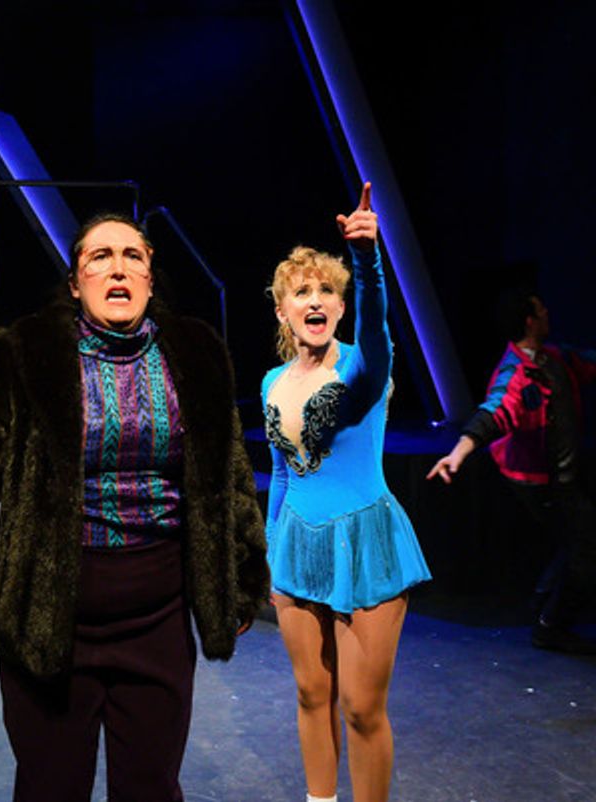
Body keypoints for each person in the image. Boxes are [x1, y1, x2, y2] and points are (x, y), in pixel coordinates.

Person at [0, 213, 269, 802]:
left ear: (149, 278)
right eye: (99, 257)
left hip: (158, 614)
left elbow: (229, 476)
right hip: (48, 613)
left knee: (151, 788)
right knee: (51, 787)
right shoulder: (22, 353)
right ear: (75, 283)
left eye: (132, 256)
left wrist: (241, 574)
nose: (117, 269)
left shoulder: (196, 353)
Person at [261, 183, 430, 802]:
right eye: (301, 292)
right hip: (296, 546)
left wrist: (366, 258)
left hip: (365, 543)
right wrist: (270, 555)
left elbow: (378, 328)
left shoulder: (364, 367)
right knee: (312, 694)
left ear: (340, 305)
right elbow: (282, 474)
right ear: (282, 311)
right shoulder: (273, 381)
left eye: (327, 291)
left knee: (360, 707)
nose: (315, 299)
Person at [426, 287, 596, 653]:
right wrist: (458, 453)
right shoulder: (516, 373)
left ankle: (544, 601)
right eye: (541, 310)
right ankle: (550, 625)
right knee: (584, 548)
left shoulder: (555, 357)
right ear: (530, 321)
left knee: (576, 541)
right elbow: (493, 412)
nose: (548, 313)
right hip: (539, 481)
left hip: (566, 474)